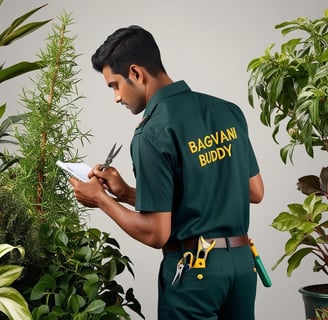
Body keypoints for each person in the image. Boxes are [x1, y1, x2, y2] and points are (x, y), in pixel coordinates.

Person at [69, 25, 264, 320]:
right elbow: (253, 191)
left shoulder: (151, 133)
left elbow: (157, 233)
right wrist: (126, 194)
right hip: (242, 267)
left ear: (136, 73)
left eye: (114, 85)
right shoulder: (227, 110)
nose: (116, 98)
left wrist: (102, 201)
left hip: (195, 273)